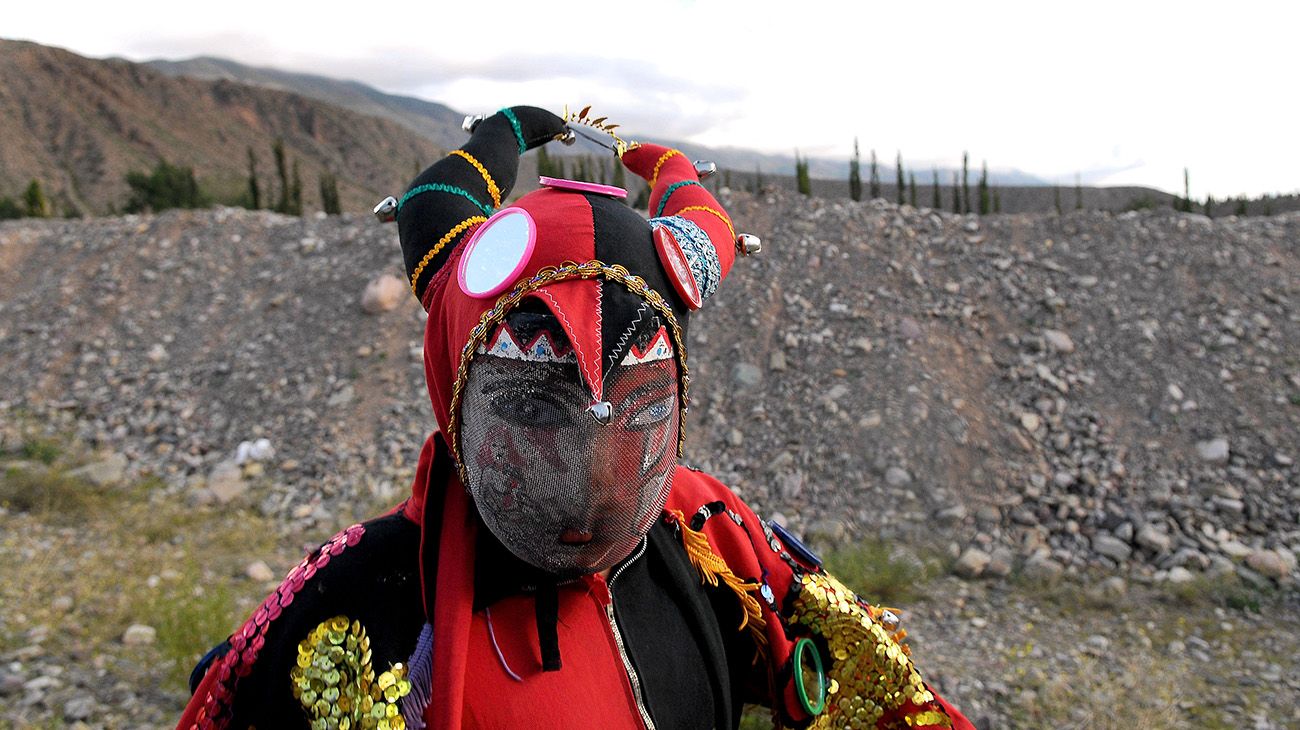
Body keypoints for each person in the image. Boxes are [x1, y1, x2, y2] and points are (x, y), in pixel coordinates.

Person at [178, 106, 973, 730]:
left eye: (644, 409)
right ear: (454, 388)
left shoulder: (709, 533)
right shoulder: (358, 607)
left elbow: (872, 696)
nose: (594, 477)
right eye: (530, 405)